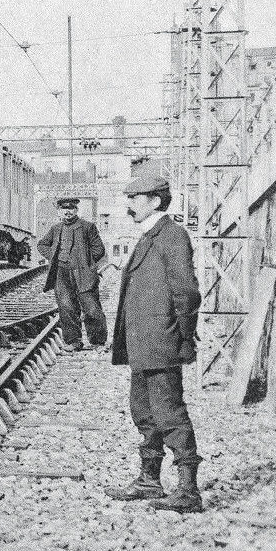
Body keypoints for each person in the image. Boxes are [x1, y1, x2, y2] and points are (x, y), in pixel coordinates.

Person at [105, 175, 204, 512]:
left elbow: (186, 292)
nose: (128, 203)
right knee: (144, 412)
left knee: (170, 413)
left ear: (156, 201)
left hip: (160, 341)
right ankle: (150, 480)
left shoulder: (172, 235)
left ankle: (188, 491)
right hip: (143, 344)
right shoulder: (151, 235)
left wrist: (183, 335)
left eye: (135, 197)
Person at [37, 196, 107, 351]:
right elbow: (42, 244)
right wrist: (53, 256)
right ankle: (73, 341)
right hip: (61, 273)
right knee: (66, 307)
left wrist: (86, 263)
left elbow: (99, 249)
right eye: (64, 209)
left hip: (84, 274)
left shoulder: (88, 227)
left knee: (91, 307)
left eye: (71, 209)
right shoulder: (56, 229)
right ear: (59, 211)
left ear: (76, 210)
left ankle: (98, 342)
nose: (67, 212)